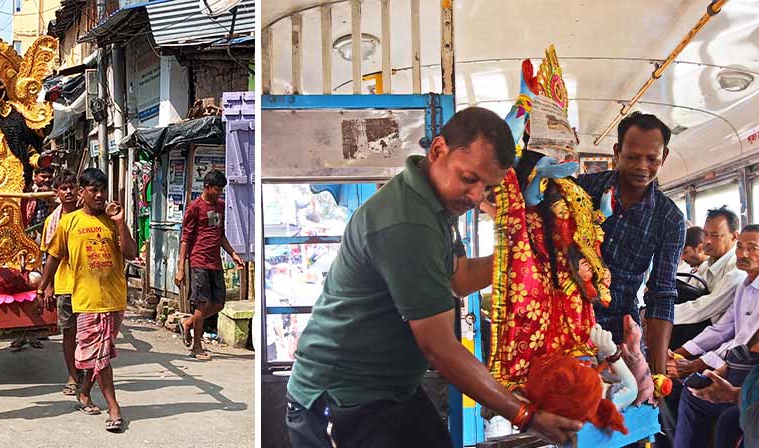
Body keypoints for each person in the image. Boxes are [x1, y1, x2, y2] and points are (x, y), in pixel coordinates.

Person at [285, 107, 582, 447]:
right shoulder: (407, 223)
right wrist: (524, 415)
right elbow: (439, 348)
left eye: (486, 187)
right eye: (469, 179)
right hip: (342, 396)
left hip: (390, 389)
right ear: (438, 149)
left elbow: (458, 277)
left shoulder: (436, 205)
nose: (474, 197)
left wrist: (525, 256)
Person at [577, 111, 686, 376]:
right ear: (617, 151)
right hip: (566, 321)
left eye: (652, 159)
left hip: (619, 334)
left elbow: (661, 294)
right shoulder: (583, 190)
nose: (642, 167)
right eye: (633, 157)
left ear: (665, 157)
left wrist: (658, 374)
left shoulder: (669, 219)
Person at [40, 168, 136, 433]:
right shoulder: (68, 223)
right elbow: (54, 256)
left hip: (115, 298)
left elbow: (130, 252)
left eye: (102, 190)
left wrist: (119, 222)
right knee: (102, 357)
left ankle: (83, 393)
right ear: (82, 193)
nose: (99, 195)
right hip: (86, 300)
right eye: (93, 190)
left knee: (98, 355)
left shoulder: (111, 219)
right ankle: (114, 408)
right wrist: (43, 286)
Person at [668, 225, 759, 447]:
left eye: (753, 248)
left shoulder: (735, 279)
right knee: (677, 383)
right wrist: (680, 354)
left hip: (748, 368)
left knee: (692, 395)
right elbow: (723, 330)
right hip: (735, 362)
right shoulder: (744, 286)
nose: (743, 254)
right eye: (741, 248)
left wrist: (698, 363)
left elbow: (745, 346)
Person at [175, 169, 245, 360]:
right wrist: (181, 268)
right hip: (198, 261)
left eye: (222, 190)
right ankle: (196, 347)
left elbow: (220, 234)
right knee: (202, 303)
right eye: (217, 189)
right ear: (206, 187)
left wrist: (232, 253)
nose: (220, 193)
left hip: (215, 262)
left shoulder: (220, 206)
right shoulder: (194, 208)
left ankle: (188, 323)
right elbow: (185, 239)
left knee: (218, 303)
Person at [39, 169, 80, 396]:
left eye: (71, 187)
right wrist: (48, 286)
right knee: (69, 333)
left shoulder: (89, 216)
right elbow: (48, 257)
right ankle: (73, 376)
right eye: (63, 188)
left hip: (89, 285)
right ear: (57, 193)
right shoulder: (52, 222)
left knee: (88, 334)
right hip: (64, 284)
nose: (68, 192)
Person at [675, 207, 744, 326]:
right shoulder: (706, 266)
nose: (707, 241)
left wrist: (660, 315)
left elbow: (702, 308)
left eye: (715, 235)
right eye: (705, 234)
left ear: (734, 237)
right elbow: (690, 291)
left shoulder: (737, 271)